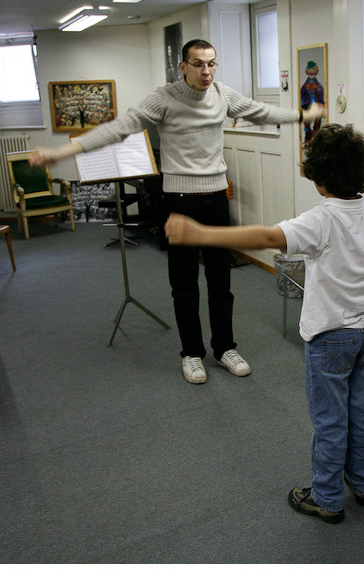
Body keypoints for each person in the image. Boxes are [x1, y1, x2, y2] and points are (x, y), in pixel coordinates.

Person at [164, 124, 364, 524]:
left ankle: (327, 498)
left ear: (318, 178)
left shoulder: (321, 220)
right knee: (361, 411)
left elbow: (266, 236)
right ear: (361, 172)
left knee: (330, 420)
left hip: (330, 340)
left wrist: (201, 232)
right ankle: (363, 485)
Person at [31, 39, 325, 385]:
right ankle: (191, 353)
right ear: (183, 66)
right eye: (199, 64)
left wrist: (301, 114)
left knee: (221, 281)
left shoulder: (222, 94)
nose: (206, 71)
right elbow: (118, 127)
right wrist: (61, 153)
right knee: (184, 284)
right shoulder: (163, 99)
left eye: (212, 64)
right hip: (179, 199)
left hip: (216, 196)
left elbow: (258, 110)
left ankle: (225, 347)